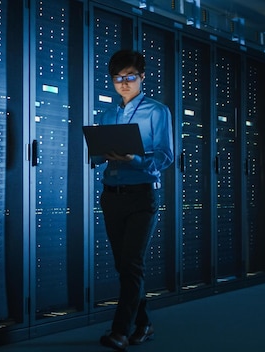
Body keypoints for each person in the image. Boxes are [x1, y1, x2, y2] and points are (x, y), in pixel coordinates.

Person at [91, 49, 174, 351]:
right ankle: (144, 324)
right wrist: (99, 153)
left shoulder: (157, 111)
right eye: (117, 78)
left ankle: (119, 332)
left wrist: (134, 158)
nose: (123, 83)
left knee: (132, 264)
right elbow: (99, 155)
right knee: (123, 266)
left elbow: (165, 156)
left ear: (142, 77)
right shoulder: (108, 114)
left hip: (141, 196)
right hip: (111, 196)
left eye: (129, 77)